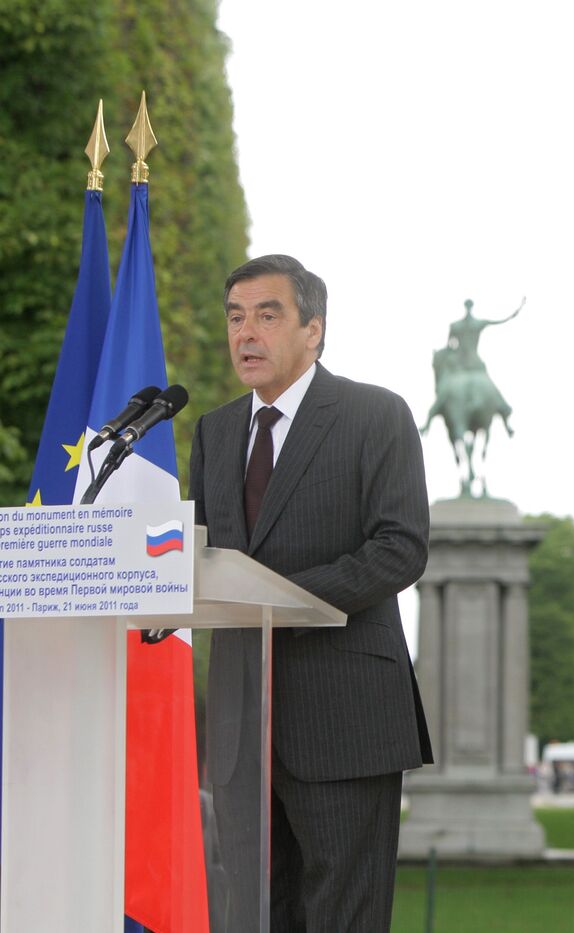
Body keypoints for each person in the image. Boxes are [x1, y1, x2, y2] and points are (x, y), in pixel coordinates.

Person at [190, 254, 433, 930]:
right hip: (242, 724)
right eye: (235, 317)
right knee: (252, 915)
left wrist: (275, 596)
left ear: (314, 330)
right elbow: (201, 552)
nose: (246, 333)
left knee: (342, 916)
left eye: (267, 315)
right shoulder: (212, 431)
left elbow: (401, 547)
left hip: (344, 718)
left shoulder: (375, 414)